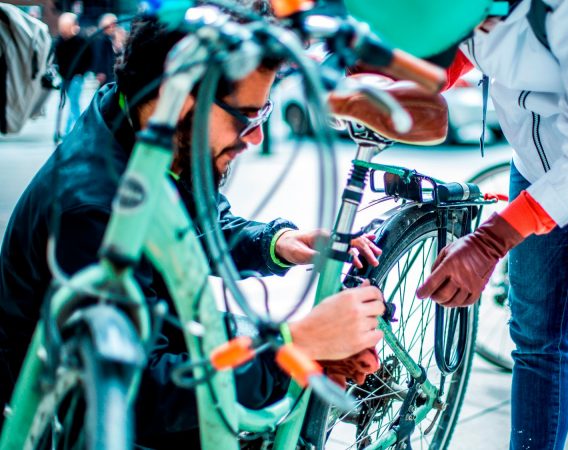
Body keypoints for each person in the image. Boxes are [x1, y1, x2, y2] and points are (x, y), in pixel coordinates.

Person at [0, 10, 384, 448]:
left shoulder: (138, 124)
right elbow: (142, 396)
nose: (256, 138)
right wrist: (295, 347)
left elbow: (196, 225)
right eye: (247, 117)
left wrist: (276, 244)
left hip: (153, 334)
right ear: (180, 98)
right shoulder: (93, 209)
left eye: (265, 114)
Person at [350, 1, 568, 448]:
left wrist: (490, 241)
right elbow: (462, 43)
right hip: (543, 154)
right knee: (535, 337)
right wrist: (399, 76)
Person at [53, 12, 92, 133]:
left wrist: (81, 72)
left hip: (76, 77)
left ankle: (74, 129)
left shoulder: (80, 41)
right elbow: (58, 60)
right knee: (71, 104)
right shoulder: (60, 42)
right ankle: (73, 129)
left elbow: (88, 58)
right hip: (66, 77)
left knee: (74, 103)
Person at [90, 13, 119, 86]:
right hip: (105, 74)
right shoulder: (100, 39)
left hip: (109, 73)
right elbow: (98, 56)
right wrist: (100, 71)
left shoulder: (107, 38)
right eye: (113, 25)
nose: (114, 28)